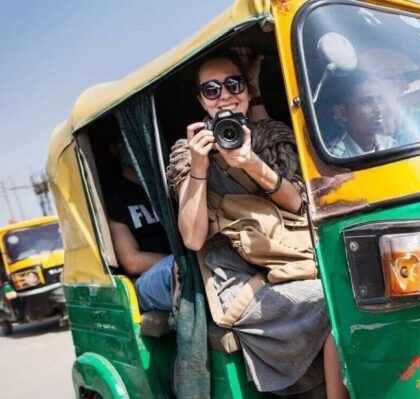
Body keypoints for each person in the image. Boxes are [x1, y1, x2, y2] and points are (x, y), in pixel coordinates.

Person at [167, 51, 347, 398]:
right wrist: (199, 166)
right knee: (334, 306)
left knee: (355, 294)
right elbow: (192, 238)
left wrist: (250, 162)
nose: (225, 96)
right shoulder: (186, 151)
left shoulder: (271, 135)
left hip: (292, 260)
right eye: (212, 89)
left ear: (247, 92)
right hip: (237, 278)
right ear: (201, 101)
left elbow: (299, 204)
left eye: (233, 84)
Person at [107, 145, 175, 312]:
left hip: (178, 262)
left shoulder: (164, 186)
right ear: (115, 148)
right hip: (144, 280)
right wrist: (182, 259)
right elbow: (131, 261)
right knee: (184, 270)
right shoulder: (115, 198)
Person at [327, 73, 397, 158]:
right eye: (366, 101)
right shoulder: (333, 157)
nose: (378, 109)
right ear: (341, 112)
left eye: (380, 98)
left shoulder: (389, 145)